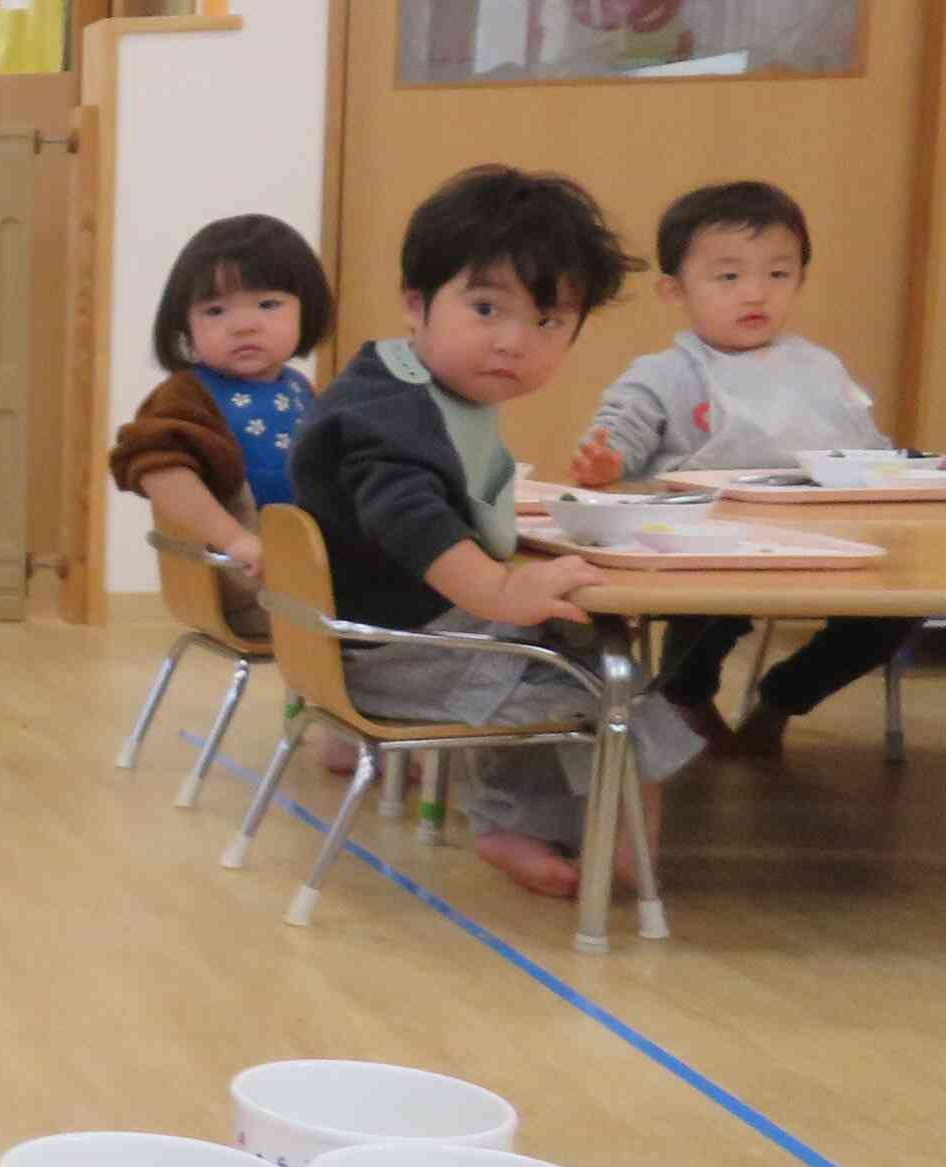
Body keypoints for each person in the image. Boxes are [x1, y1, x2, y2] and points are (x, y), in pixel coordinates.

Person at [288, 165, 692, 902]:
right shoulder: (390, 415)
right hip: (398, 656)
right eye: (485, 308)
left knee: (583, 647)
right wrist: (504, 587)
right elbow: (405, 517)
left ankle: (534, 825)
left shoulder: (407, 387)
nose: (513, 342)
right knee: (615, 689)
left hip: (392, 638)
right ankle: (609, 859)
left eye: (547, 322)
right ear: (417, 304)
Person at [566, 178, 918, 758]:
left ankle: (782, 698)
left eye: (777, 275)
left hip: (830, 543)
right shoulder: (665, 373)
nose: (755, 293)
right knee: (707, 607)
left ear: (800, 279)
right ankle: (684, 695)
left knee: (895, 610)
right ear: (675, 289)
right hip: (709, 548)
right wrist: (607, 461)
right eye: (729, 277)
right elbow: (615, 440)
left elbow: (867, 452)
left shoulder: (820, 367)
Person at [109, 212, 335, 636]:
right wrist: (235, 540)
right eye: (215, 310)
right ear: (185, 327)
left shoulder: (302, 389)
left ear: (307, 308)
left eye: (268, 304)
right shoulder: (189, 395)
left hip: (308, 576)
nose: (244, 325)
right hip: (253, 586)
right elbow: (158, 470)